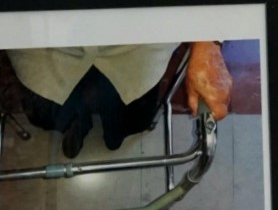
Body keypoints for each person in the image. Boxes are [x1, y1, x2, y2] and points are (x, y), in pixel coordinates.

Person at [2, 41, 232, 160]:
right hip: (43, 40)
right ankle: (77, 126)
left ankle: (115, 134)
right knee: (52, 107)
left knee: (129, 109)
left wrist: (207, 42)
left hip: (136, 39)